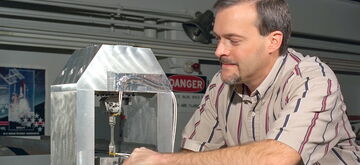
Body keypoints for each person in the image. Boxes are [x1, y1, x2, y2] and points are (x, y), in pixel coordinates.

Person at [123, 0, 360, 164]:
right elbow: (193, 154)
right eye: (218, 39)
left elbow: (276, 159)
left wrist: (162, 161)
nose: (218, 51)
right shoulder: (221, 83)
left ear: (273, 41)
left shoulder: (311, 78)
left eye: (233, 41)